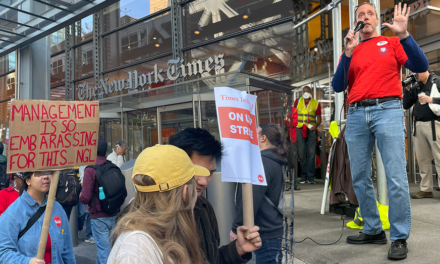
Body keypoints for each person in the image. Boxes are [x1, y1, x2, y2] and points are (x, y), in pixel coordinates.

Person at [331, 2, 429, 261]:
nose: (365, 18)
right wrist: (347, 53)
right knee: (360, 177)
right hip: (356, 114)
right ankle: (373, 228)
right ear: (355, 22)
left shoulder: (392, 43)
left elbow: (421, 66)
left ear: (376, 20)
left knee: (396, 176)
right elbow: (338, 85)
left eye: (369, 14)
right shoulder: (350, 51)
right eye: (360, 15)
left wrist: (404, 36)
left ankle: (398, 236)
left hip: (387, 109)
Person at [116, 128, 263, 264]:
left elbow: (210, 259)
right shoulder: (134, 229)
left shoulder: (204, 208)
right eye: (196, 170)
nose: (203, 181)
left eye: (210, 173)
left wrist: (237, 249)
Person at [108, 144, 213, 264]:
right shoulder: (136, 250)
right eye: (193, 183)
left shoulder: (154, 238)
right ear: (185, 193)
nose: (203, 182)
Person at [231, 123, 287, 264]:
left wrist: (236, 228)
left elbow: (250, 197)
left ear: (262, 138)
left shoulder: (261, 162)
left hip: (262, 233)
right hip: (272, 228)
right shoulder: (276, 160)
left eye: (253, 135)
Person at [0, 171, 76, 264]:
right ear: (28, 181)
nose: (46, 177)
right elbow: (3, 252)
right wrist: (27, 261)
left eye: (48, 172)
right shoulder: (12, 214)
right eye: (39, 173)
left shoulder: (57, 208)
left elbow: (67, 250)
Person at [80, 137, 124, 264]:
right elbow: (123, 192)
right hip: (114, 214)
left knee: (104, 251)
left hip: (98, 216)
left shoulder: (90, 169)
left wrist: (80, 196)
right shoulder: (113, 167)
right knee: (109, 250)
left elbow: (85, 197)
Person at [403, 71, 440, 199]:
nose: (415, 76)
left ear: (425, 71)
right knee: (423, 159)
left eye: (417, 73)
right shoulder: (416, 86)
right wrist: (408, 90)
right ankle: (426, 189)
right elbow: (406, 105)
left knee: (439, 157)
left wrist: (432, 99)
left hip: (434, 123)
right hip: (418, 124)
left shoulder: (437, 81)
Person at [294, 86, 321, 184]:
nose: (305, 93)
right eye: (304, 91)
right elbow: (293, 115)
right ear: (302, 92)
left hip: (311, 131)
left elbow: (319, 119)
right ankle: (303, 176)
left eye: (307, 91)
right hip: (299, 130)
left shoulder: (316, 103)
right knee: (301, 154)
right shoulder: (297, 101)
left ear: (311, 92)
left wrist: (315, 125)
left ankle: (311, 177)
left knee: (311, 154)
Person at [78, 165, 94, 244]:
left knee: (89, 213)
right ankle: (78, 228)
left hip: (90, 189)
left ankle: (89, 234)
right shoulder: (81, 164)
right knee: (81, 213)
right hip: (82, 189)